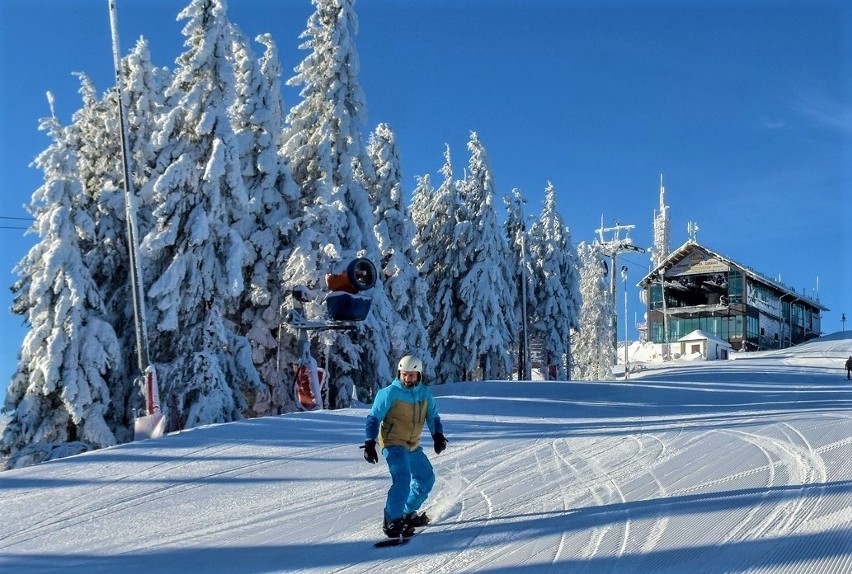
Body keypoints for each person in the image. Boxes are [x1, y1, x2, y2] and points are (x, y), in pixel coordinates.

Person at [362, 355, 447, 538]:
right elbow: (374, 418)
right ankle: (392, 521)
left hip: (412, 445)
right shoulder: (389, 393)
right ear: (399, 373)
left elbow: (433, 416)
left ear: (419, 375)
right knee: (402, 479)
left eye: (411, 375)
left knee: (426, 478)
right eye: (404, 374)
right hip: (393, 443)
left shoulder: (424, 393)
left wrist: (437, 435)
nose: (407, 378)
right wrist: (370, 442)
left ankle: (407, 513)